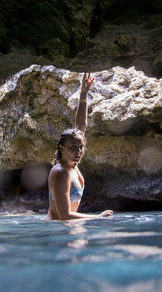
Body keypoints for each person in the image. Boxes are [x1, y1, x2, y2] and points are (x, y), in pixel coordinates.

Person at [45, 73, 114, 220]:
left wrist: (84, 95)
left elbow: (81, 126)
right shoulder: (61, 172)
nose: (79, 151)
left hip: (68, 231)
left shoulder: (72, 164)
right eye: (73, 147)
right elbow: (64, 216)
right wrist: (98, 217)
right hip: (57, 232)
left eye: (81, 147)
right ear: (61, 148)